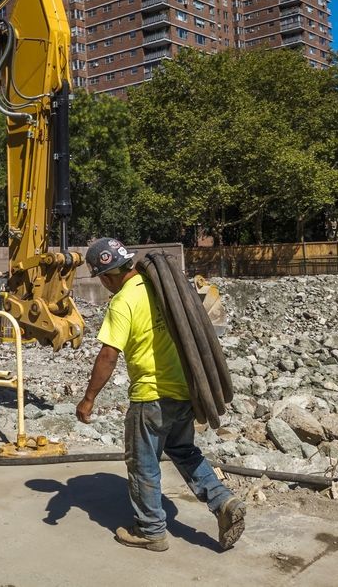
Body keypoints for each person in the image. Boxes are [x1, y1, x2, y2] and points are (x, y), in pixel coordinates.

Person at [76, 237, 246, 552]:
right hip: (185, 391)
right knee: (183, 450)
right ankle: (223, 502)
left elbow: (108, 355)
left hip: (150, 396)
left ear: (107, 275)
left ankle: (151, 531)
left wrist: (88, 399)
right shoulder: (162, 288)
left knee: (142, 463)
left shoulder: (123, 301)